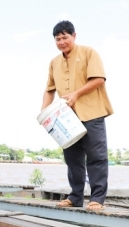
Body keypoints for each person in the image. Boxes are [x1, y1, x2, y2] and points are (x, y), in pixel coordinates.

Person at [41, 20, 113, 211]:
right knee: (72, 158)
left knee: (96, 156)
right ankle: (75, 196)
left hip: (92, 112)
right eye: (57, 39)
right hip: (66, 117)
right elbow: (49, 89)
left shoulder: (89, 53)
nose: (61, 42)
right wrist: (43, 114)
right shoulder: (54, 62)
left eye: (65, 37)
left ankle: (97, 198)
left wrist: (76, 94)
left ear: (74, 36)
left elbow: (99, 79)